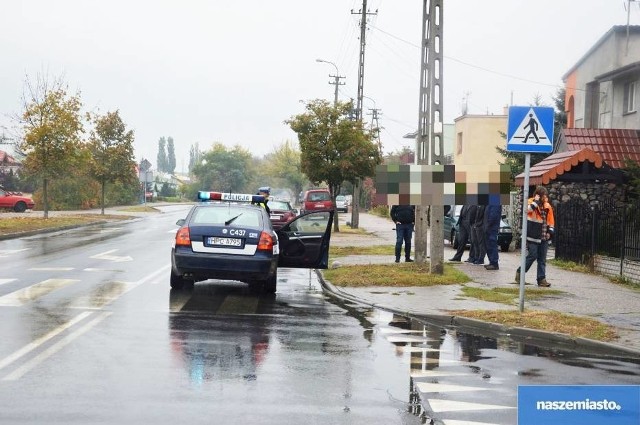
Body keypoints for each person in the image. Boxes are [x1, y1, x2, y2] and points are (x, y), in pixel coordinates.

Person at [515, 186, 555, 287]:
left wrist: (550, 232)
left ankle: (541, 279)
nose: (545, 197)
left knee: (542, 259)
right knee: (532, 255)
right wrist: (535, 202)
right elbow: (527, 210)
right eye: (543, 195)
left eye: (546, 195)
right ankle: (520, 273)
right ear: (538, 195)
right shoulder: (530, 202)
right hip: (531, 235)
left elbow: (551, 221)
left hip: (543, 236)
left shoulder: (547, 206)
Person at [484, 204, 502, 270]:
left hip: (492, 227)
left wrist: (488, 225)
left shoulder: (495, 203)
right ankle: (491, 262)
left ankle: (494, 263)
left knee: (492, 245)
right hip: (489, 227)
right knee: (489, 245)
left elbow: (493, 216)